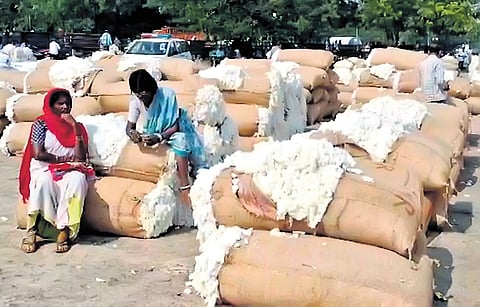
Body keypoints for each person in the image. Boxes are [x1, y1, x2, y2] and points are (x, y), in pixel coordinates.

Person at [19, 88, 94, 253]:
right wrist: (62, 160)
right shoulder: (41, 124)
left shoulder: (78, 126)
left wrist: (74, 127)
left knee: (78, 181)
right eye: (60, 104)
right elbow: (38, 154)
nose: (65, 107)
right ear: (51, 105)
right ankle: (32, 230)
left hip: (69, 170)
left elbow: (80, 157)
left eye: (68, 103)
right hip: (45, 167)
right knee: (43, 182)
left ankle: (64, 230)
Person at [125, 69, 208, 206]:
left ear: (151, 88)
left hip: (169, 132)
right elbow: (129, 127)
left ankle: (184, 186)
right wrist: (132, 134)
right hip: (150, 131)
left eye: (144, 92)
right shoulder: (136, 101)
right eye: (138, 93)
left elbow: (174, 126)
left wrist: (159, 137)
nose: (141, 96)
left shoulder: (167, 95)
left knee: (182, 141)